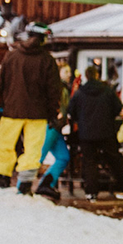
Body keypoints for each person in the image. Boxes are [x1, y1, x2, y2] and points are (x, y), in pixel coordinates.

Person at [0, 22, 62, 194]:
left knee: (4, 144)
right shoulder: (47, 60)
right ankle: (26, 183)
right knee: (33, 148)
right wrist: (52, 113)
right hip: (38, 113)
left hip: (12, 110)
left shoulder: (12, 56)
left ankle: (2, 176)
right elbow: (54, 90)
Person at [67, 65, 123, 200]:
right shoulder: (107, 91)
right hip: (106, 131)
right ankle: (121, 187)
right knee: (115, 159)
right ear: (97, 75)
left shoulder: (80, 93)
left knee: (89, 161)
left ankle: (91, 192)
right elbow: (117, 108)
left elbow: (71, 112)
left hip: (86, 134)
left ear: (86, 76)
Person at [35, 63, 72, 200]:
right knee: (38, 157)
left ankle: (46, 183)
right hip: (51, 125)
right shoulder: (55, 86)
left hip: (56, 127)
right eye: (66, 71)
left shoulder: (62, 87)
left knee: (63, 157)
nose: (69, 74)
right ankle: (23, 186)